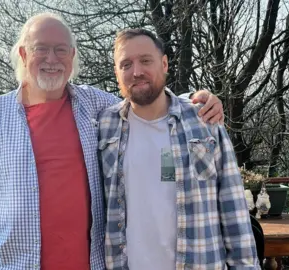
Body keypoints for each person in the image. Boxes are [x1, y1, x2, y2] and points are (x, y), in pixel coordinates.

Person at [0, 12, 225, 270]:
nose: (51, 59)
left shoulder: (95, 105)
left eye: (61, 49)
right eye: (41, 48)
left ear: (72, 56)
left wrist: (194, 100)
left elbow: (145, 100)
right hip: (15, 265)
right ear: (23, 54)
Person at [98, 28, 260, 269]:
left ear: (164, 64)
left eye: (145, 60)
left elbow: (233, 204)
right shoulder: (104, 125)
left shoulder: (204, 119)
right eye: (126, 64)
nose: (137, 71)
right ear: (117, 72)